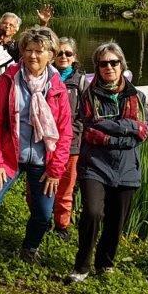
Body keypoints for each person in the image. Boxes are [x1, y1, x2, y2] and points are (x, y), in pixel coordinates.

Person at [0, 26, 72, 283]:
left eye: (39, 51)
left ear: (51, 55)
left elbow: (65, 132)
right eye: (28, 50)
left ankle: (29, 249)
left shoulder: (57, 87)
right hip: (10, 156)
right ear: (21, 52)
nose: (33, 56)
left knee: (44, 213)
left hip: (43, 159)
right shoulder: (8, 80)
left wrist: (55, 169)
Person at [67, 42, 148, 283]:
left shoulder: (137, 96)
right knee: (92, 213)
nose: (109, 67)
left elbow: (143, 131)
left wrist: (113, 127)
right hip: (95, 164)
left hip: (127, 166)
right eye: (103, 64)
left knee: (116, 220)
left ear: (122, 65)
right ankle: (81, 265)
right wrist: (127, 128)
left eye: (114, 62)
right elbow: (90, 131)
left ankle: (105, 263)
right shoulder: (88, 95)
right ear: (97, 67)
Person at [51, 37, 84, 239]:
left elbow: (84, 116)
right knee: (38, 185)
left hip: (71, 144)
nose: (63, 56)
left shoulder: (80, 82)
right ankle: (41, 219)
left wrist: (72, 134)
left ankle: (61, 226)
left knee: (65, 187)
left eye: (68, 53)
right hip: (44, 142)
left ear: (74, 57)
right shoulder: (46, 76)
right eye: (60, 53)